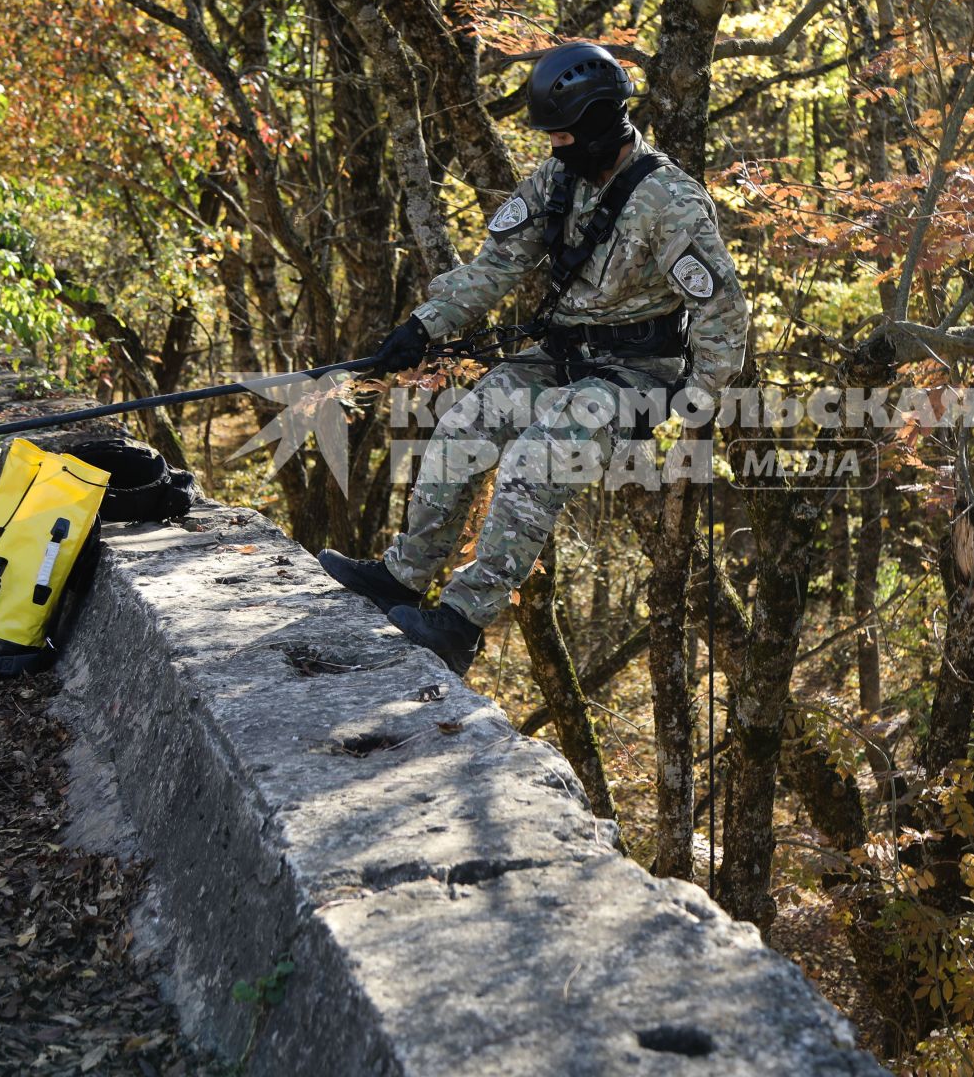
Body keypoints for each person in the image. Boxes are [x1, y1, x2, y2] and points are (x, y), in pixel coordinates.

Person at [317, 42, 748, 673]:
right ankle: (404, 576)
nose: (556, 148)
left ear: (603, 121)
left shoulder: (670, 202)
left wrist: (696, 404)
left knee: (535, 460)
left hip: (637, 376)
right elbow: (499, 264)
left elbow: (723, 311)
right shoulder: (557, 179)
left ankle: (460, 623)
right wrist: (423, 326)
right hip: (558, 355)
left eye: (566, 135)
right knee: (464, 424)